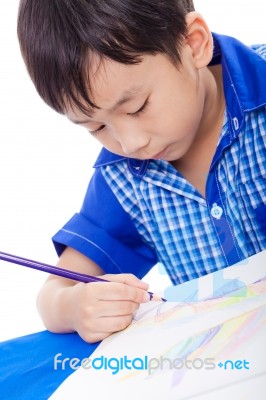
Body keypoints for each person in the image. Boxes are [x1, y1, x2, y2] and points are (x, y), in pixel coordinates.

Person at [17, 0, 266, 343]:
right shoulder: (123, 179)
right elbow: (54, 292)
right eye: (96, 126)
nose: (130, 143)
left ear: (194, 43)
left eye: (137, 107)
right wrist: (74, 306)